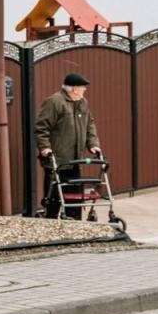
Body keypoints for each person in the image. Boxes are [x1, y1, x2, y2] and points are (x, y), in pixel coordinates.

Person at [35, 71, 101, 219]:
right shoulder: (54, 102)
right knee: (54, 195)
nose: (85, 90)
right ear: (74, 89)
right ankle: (50, 221)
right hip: (57, 159)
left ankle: (75, 222)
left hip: (75, 159)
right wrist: (45, 147)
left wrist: (93, 144)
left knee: (75, 195)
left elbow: (89, 124)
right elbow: (41, 127)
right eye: (83, 87)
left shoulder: (82, 102)